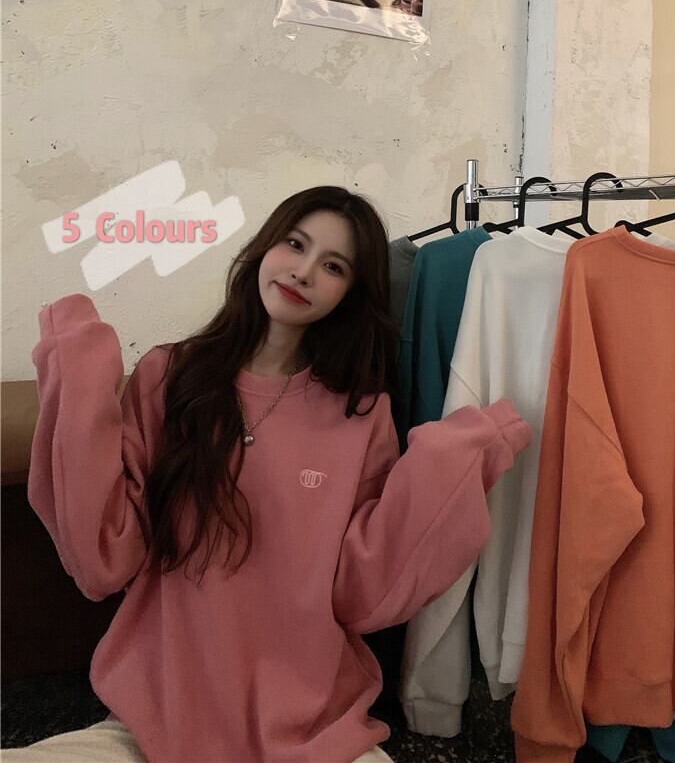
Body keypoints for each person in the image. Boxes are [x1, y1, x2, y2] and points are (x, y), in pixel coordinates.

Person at [3, 186, 532, 763]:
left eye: (333, 266)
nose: (304, 272)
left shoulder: (360, 412)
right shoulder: (167, 376)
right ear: (264, 247)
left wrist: (456, 461)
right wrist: (77, 371)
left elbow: (360, 590)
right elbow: (105, 554)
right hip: (155, 716)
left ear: (350, 293)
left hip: (314, 726)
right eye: (295, 245)